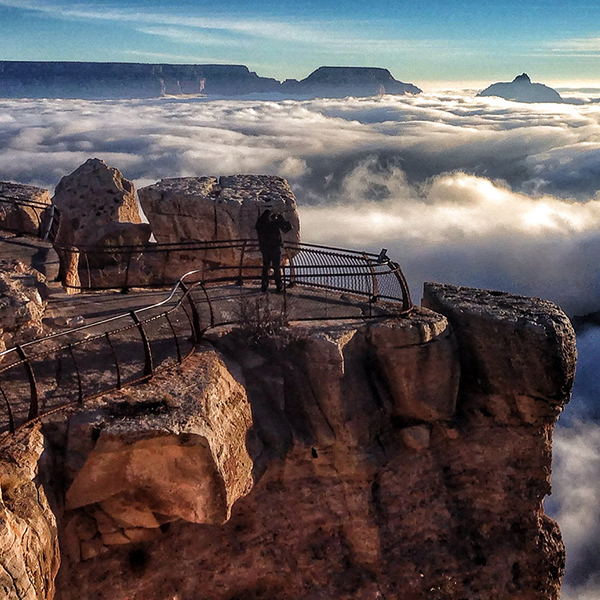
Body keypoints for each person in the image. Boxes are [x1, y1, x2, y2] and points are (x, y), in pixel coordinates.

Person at [255, 208, 292, 292]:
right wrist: (282, 219)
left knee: (265, 267)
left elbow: (258, 228)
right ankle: (279, 285)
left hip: (265, 248)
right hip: (275, 248)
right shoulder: (274, 223)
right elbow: (287, 228)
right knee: (276, 267)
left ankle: (264, 285)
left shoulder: (260, 224)